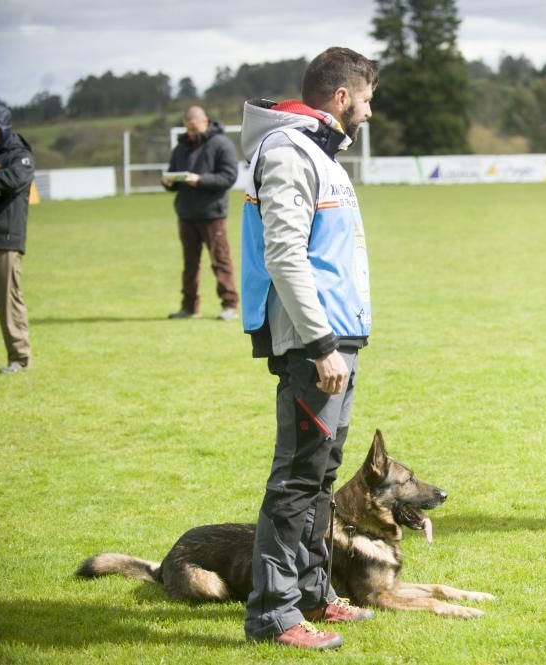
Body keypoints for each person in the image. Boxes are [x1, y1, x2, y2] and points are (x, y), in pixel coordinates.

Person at [239, 47, 378, 650]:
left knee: (321, 477)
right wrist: (321, 345)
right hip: (313, 344)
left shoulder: (318, 153)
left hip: (336, 338)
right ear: (341, 97)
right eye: (367, 100)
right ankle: (273, 613)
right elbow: (285, 255)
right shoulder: (289, 153)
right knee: (296, 479)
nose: (369, 113)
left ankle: (315, 596)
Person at [161, 105, 240, 321]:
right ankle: (189, 307)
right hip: (186, 214)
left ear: (205, 121)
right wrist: (168, 182)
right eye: (187, 129)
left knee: (220, 261)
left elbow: (229, 177)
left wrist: (200, 179)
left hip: (213, 214)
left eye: (194, 129)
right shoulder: (180, 148)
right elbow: (174, 177)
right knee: (190, 264)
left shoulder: (221, 144)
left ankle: (230, 305)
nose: (191, 133)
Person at [0, 104, 35, 374]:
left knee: (7, 300)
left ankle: (19, 358)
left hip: (5, 238)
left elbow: (13, 179)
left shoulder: (19, 156)